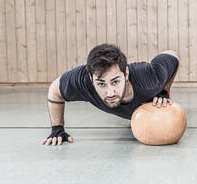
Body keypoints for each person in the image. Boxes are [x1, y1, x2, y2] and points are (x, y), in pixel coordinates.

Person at [42, 43, 179, 146]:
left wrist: (163, 90)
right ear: (91, 79)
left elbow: (172, 54)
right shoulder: (83, 80)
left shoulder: (150, 78)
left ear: (126, 74)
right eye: (101, 84)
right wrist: (57, 128)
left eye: (115, 82)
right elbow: (55, 90)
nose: (110, 92)